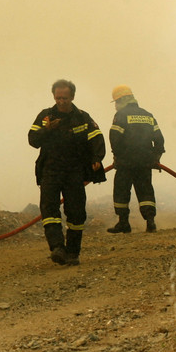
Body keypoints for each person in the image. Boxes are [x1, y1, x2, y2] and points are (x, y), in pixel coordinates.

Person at [28, 79, 106, 267]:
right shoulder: (45, 117)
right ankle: (57, 248)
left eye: (65, 98)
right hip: (51, 171)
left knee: (77, 213)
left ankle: (73, 252)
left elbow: (97, 138)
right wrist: (46, 130)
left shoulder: (82, 117)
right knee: (49, 210)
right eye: (58, 97)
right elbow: (32, 139)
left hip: (74, 172)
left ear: (72, 97)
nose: (61, 101)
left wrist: (97, 158)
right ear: (54, 97)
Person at [107, 85, 165, 233]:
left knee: (121, 190)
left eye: (115, 102)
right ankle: (150, 221)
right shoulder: (148, 115)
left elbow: (115, 137)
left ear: (120, 100)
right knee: (145, 190)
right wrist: (155, 157)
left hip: (126, 162)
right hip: (145, 161)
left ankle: (123, 223)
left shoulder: (121, 115)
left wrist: (117, 156)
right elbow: (159, 138)